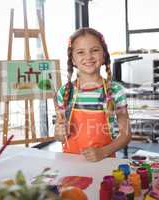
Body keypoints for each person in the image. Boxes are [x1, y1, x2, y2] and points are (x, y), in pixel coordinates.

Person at [54, 27, 131, 162]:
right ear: (72, 59)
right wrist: (59, 133)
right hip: (70, 164)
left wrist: (103, 152)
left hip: (105, 163)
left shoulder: (116, 91)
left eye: (94, 50)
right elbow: (59, 137)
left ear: (104, 55)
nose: (88, 56)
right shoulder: (64, 92)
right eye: (80, 52)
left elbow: (126, 134)